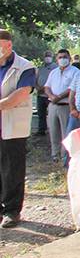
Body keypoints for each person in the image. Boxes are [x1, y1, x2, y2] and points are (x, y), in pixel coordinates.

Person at [0, 30, 36, 228]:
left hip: (12, 126)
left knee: (12, 169)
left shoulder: (25, 66)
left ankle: (12, 211)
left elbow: (22, 93)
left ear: (9, 45)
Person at [44, 49, 80, 162]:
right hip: (53, 105)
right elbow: (47, 87)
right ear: (57, 59)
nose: (62, 59)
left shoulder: (75, 72)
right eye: (60, 57)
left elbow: (72, 88)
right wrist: (51, 96)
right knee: (53, 130)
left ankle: (65, 156)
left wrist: (59, 97)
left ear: (69, 58)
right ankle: (55, 154)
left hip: (66, 105)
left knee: (66, 132)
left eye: (65, 57)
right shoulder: (53, 72)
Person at [35, 51, 56, 136]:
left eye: (49, 55)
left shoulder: (55, 68)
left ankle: (53, 131)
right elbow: (36, 79)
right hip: (40, 95)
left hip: (50, 95)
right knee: (41, 114)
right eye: (46, 56)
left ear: (52, 56)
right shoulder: (40, 68)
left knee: (52, 114)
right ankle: (41, 130)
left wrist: (45, 89)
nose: (47, 57)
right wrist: (37, 87)